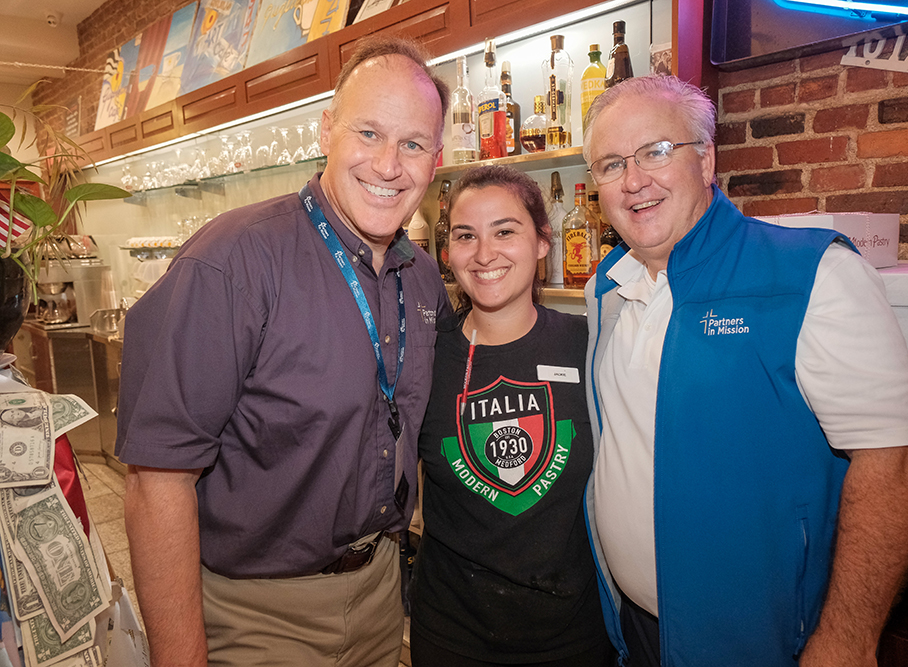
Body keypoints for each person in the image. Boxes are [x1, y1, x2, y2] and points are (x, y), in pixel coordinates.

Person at [115, 36, 452, 667]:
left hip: (382, 599)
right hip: (255, 616)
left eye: (413, 144)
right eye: (369, 133)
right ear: (327, 130)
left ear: (436, 158)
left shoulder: (423, 277)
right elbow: (157, 482)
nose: (388, 165)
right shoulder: (232, 262)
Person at [581, 75, 908, 667]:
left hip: (765, 643)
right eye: (611, 164)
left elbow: (895, 463)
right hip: (635, 632)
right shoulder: (604, 290)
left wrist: (848, 641)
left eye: (656, 152)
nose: (634, 180)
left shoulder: (814, 274)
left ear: (707, 158)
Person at [410, 165, 614, 667]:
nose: (484, 254)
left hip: (574, 637)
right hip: (453, 636)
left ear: (543, 241)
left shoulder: (590, 346)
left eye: (505, 231)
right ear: (447, 251)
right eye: (465, 236)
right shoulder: (424, 361)